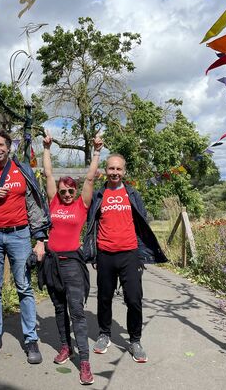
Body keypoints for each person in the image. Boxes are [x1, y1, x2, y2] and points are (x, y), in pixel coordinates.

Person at [0, 129, 51, 364]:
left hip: (20, 235)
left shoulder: (23, 170)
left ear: (9, 147)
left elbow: (34, 204)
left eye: (1, 145)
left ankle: (30, 339)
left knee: (24, 287)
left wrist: (40, 239)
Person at [83, 153, 167, 363]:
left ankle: (135, 340)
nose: (115, 173)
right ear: (106, 170)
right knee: (104, 297)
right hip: (105, 255)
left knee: (134, 299)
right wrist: (93, 252)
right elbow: (91, 224)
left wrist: (141, 254)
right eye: (111, 168)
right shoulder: (99, 195)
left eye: (119, 169)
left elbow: (142, 224)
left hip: (130, 254)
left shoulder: (132, 194)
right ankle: (104, 334)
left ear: (124, 171)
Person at [41, 131, 102, 385]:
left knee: (76, 311)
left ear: (76, 192)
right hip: (52, 263)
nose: (66, 194)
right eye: (63, 191)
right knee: (58, 308)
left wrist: (97, 150)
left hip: (73, 264)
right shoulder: (53, 202)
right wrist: (46, 148)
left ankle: (85, 362)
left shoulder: (81, 206)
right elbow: (47, 174)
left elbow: (90, 177)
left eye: (69, 191)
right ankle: (65, 347)